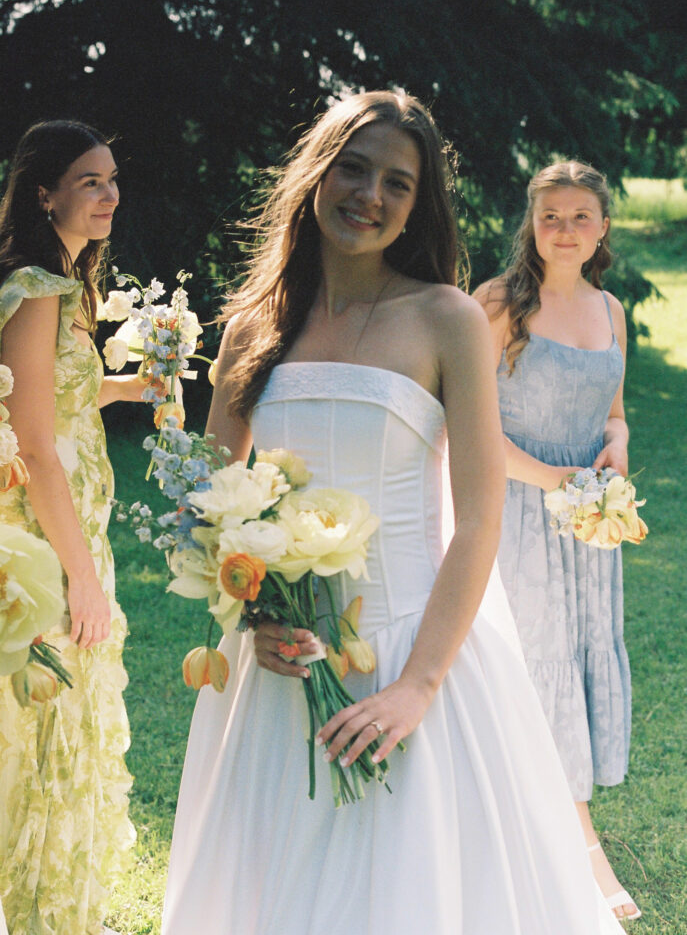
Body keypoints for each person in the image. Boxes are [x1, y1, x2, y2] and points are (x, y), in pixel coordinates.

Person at [162, 92, 623, 934]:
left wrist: (416, 687)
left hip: (416, 653)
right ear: (316, 174)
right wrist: (255, 614)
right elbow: (209, 502)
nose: (369, 194)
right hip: (283, 667)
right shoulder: (250, 330)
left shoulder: (445, 317)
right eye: (353, 168)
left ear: (419, 205)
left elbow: (479, 518)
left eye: (397, 183)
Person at [474, 161, 639, 921]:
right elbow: (466, 426)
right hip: (514, 517)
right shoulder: (499, 305)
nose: (565, 230)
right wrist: (553, 483)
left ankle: (556, 832)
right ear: (529, 225)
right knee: (530, 669)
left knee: (572, 662)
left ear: (602, 227)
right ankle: (579, 850)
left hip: (584, 526)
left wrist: (616, 446)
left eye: (580, 216)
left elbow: (613, 408)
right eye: (551, 216)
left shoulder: (611, 310)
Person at [0, 120, 146, 935]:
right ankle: (39, 915)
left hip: (69, 538)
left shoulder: (64, 283)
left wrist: (121, 390)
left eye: (112, 179)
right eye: (90, 181)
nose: (109, 195)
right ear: (44, 190)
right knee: (45, 737)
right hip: (46, 543)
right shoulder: (36, 286)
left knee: (62, 728)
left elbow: (55, 398)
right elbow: (34, 444)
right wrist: (80, 573)